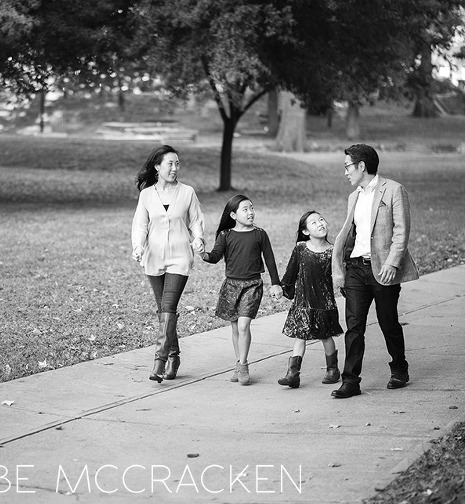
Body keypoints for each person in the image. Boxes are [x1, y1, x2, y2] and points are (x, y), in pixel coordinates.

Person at [331, 144, 419, 399]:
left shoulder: (393, 190)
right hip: (357, 269)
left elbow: (402, 230)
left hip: (383, 268)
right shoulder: (354, 196)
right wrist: (342, 269)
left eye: (347, 166)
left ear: (361, 165)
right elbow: (352, 234)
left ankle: (399, 368)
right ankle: (350, 381)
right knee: (354, 326)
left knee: (388, 321)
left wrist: (392, 263)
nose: (345, 172)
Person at [131, 145, 205, 383]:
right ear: (157, 167)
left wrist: (199, 239)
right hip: (153, 258)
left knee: (168, 308)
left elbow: (196, 221)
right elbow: (140, 225)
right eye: (170, 164)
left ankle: (160, 362)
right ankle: (174, 356)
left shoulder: (187, 192)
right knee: (163, 311)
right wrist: (138, 246)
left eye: (177, 164)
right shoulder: (147, 195)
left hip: (179, 257)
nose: (175, 168)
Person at [200, 194, 282, 385]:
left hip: (252, 285)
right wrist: (202, 253)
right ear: (234, 215)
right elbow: (214, 257)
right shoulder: (225, 235)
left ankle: (244, 365)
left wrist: (275, 283)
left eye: (251, 208)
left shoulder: (260, 234)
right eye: (245, 209)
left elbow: (269, 259)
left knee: (244, 325)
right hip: (231, 285)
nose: (250, 212)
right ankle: (238, 363)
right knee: (236, 327)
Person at [277, 210, 343, 389]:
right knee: (300, 336)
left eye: (321, 219)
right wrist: (283, 289)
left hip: (324, 303)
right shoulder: (301, 248)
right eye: (313, 222)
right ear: (306, 231)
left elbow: (340, 276)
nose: (320, 223)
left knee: (326, 336)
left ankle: (332, 370)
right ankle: (293, 374)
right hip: (302, 303)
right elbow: (290, 272)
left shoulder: (332, 251)